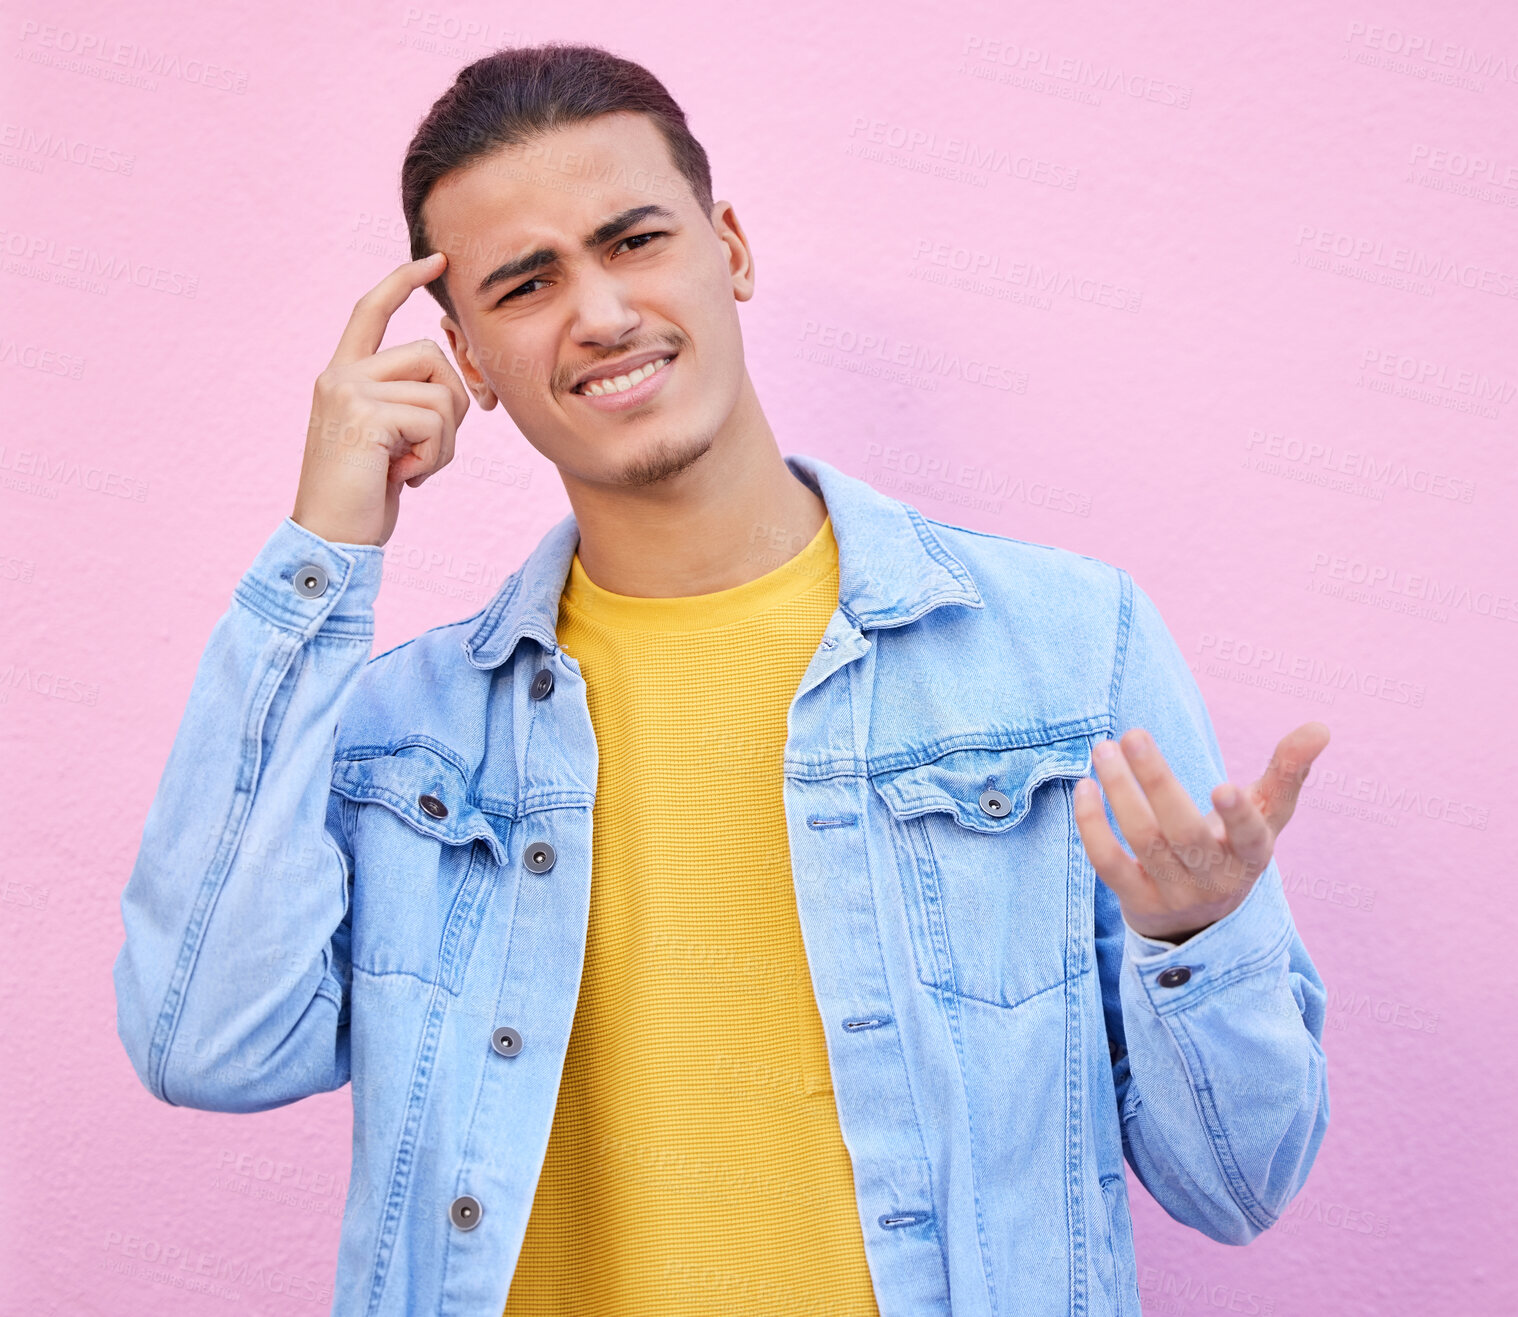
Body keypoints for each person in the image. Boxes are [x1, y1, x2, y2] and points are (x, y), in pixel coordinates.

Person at [113, 42, 1330, 1317]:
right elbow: (208, 1042)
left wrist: (1197, 939)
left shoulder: (1065, 647)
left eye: (632, 240)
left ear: (730, 248)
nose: (598, 313)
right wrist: (323, 555)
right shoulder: (406, 733)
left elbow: (1240, 1187)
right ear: (465, 358)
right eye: (526, 284)